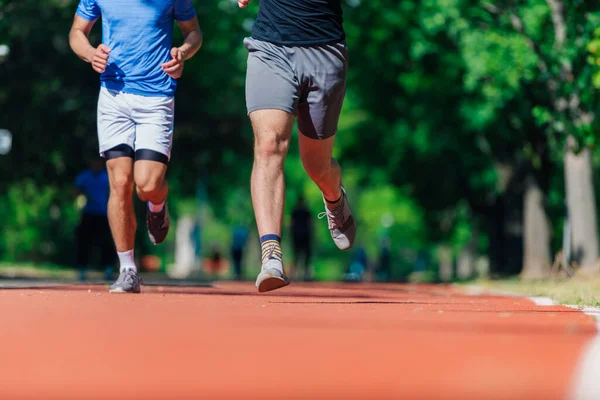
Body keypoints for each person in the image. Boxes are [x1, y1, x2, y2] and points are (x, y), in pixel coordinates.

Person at [69, 0, 202, 293]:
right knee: (120, 183)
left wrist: (182, 52)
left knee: (147, 185)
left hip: (156, 99)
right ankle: (127, 269)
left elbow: (193, 33)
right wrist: (91, 54)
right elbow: (77, 31)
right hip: (114, 97)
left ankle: (158, 202)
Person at [238, 0, 357, 293]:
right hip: (271, 46)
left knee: (316, 166)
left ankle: (333, 196)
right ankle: (271, 255)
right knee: (268, 147)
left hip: (325, 48)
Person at [74, 158, 114, 281]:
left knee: (106, 242)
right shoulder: (85, 176)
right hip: (88, 213)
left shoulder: (106, 177)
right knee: (84, 242)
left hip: (103, 214)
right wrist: (83, 197)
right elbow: (75, 190)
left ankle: (108, 268)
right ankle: (82, 268)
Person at [291, 195, 313, 281]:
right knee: (303, 255)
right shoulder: (305, 211)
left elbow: (291, 224)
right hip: (304, 235)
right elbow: (310, 224)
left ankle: (298, 274)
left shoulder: (296, 211)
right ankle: (304, 273)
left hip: (298, 235)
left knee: (298, 255)